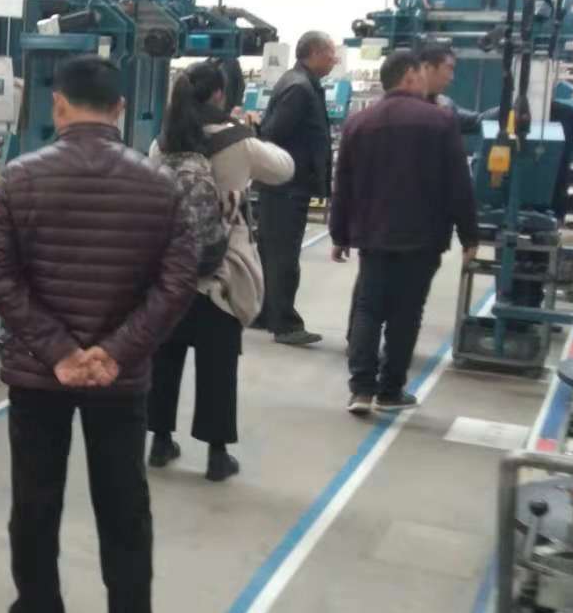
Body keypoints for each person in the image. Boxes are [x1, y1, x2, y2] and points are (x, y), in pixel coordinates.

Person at [0, 55, 195, 613]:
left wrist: (59, 351)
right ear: (120, 110)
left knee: (35, 502)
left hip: (38, 376)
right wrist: (113, 352)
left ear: (58, 105)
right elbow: (177, 283)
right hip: (118, 380)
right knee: (124, 502)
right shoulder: (160, 185)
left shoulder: (19, 178)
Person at [147, 60, 295, 483]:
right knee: (218, 366)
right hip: (221, 272)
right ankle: (216, 455)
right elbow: (284, 168)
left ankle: (160, 442)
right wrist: (252, 130)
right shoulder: (238, 141)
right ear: (218, 95)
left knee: (164, 358)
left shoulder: (163, 142)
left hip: (170, 271)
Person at [330, 49, 479, 415]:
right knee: (406, 312)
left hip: (373, 234)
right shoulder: (440, 121)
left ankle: (361, 389)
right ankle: (390, 389)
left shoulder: (358, 123)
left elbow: (343, 183)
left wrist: (339, 234)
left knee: (368, 308)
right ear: (410, 76)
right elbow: (458, 184)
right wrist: (470, 235)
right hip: (422, 236)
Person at [256, 31, 337, 346]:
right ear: (314, 53)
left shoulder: (301, 83)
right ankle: (286, 324)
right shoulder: (300, 89)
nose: (335, 59)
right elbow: (273, 132)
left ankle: (266, 313)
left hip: (285, 184)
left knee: (273, 253)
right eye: (330, 53)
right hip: (286, 187)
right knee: (283, 257)